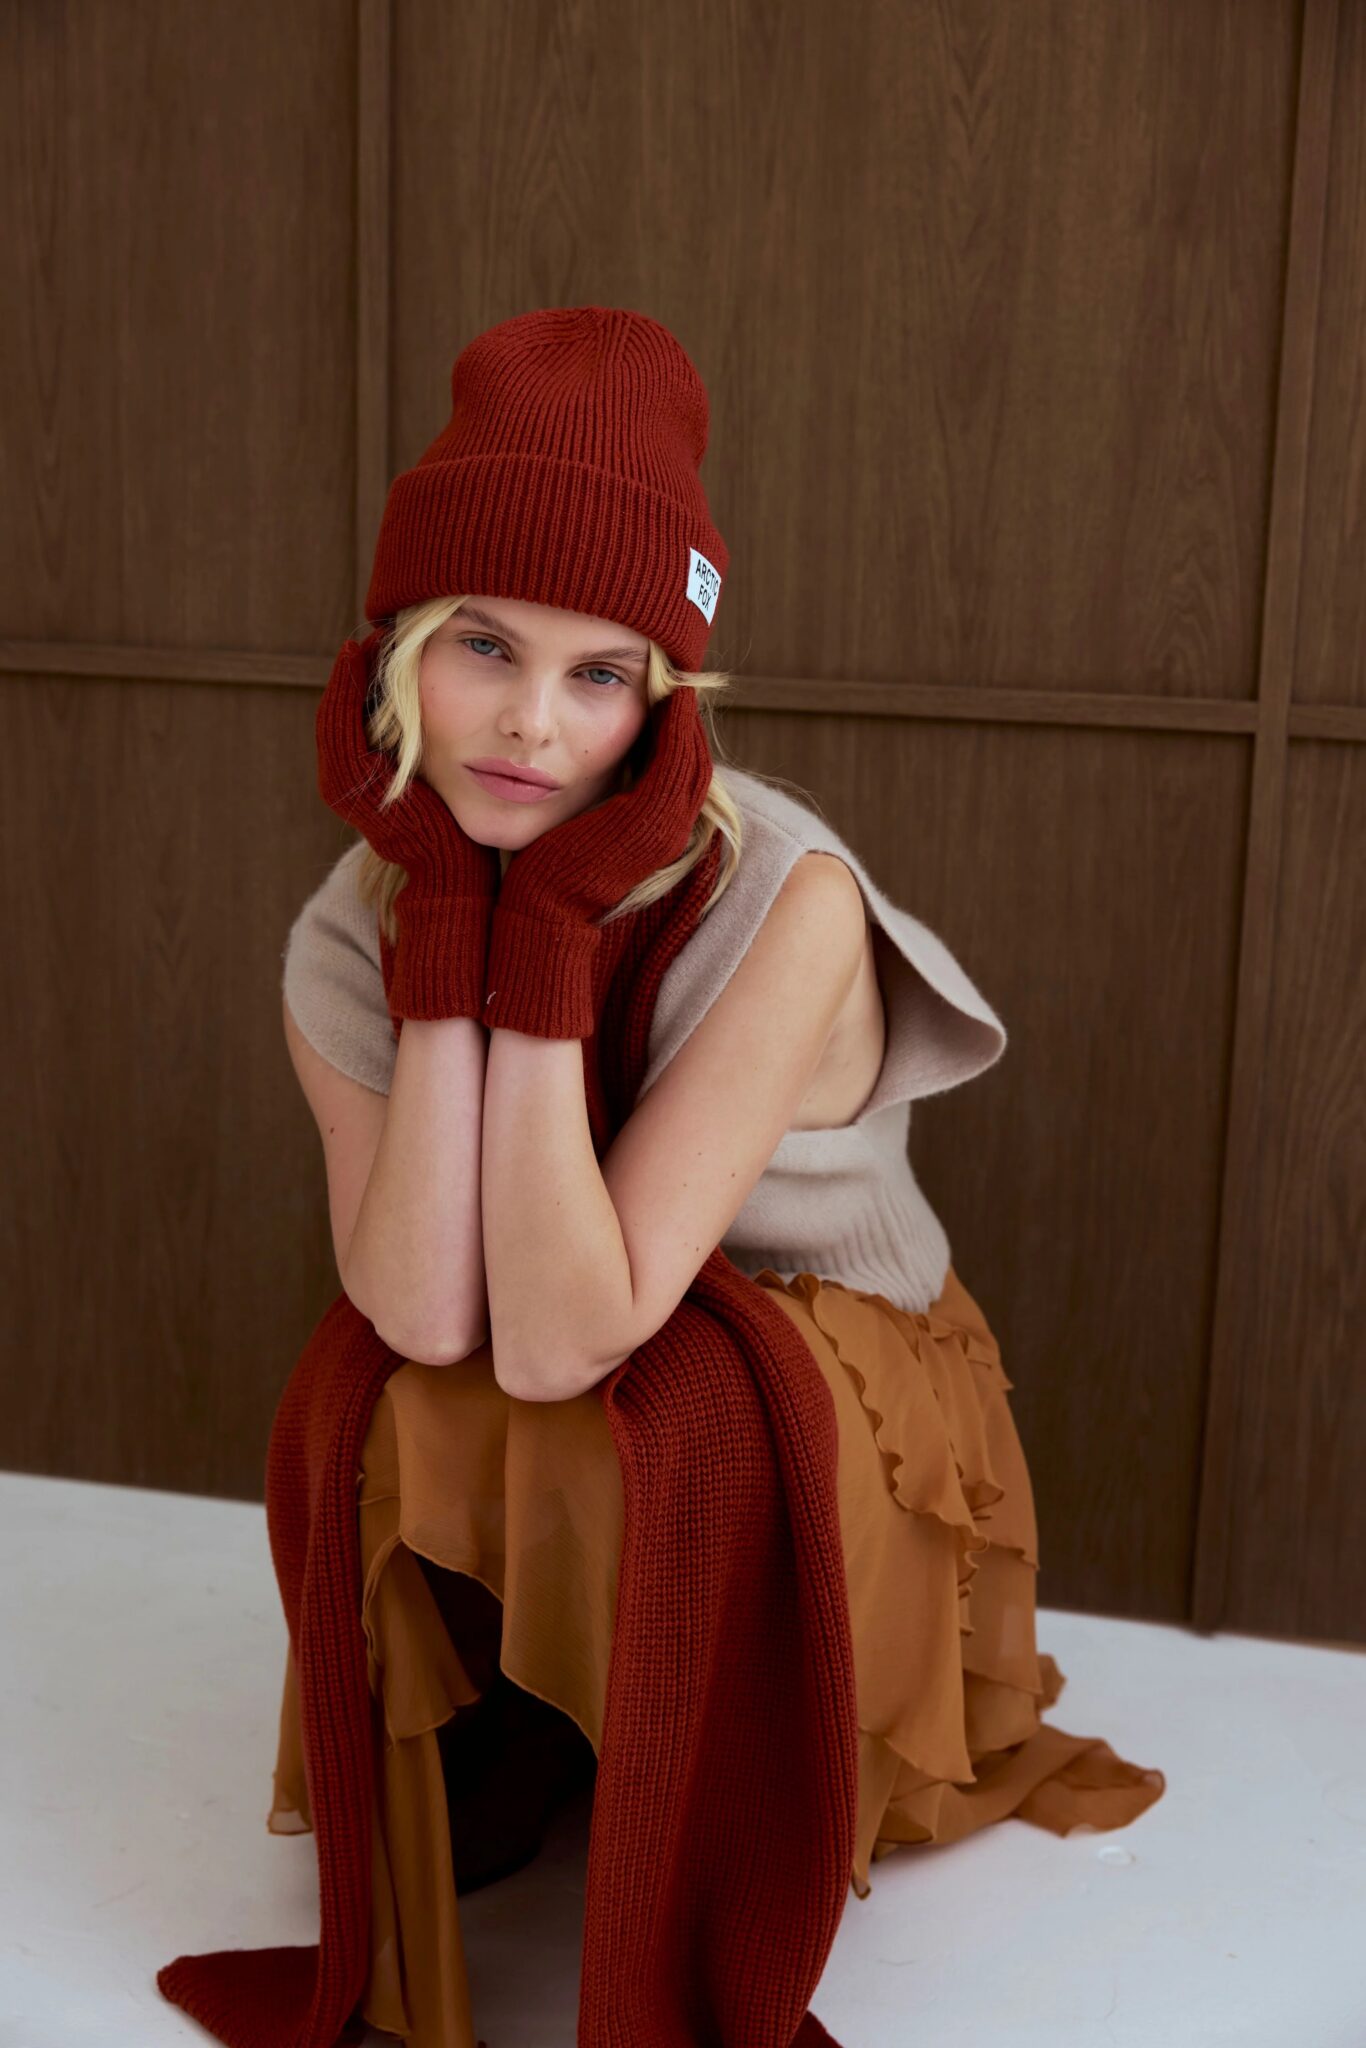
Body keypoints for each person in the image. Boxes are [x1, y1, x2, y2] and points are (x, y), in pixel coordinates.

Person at [271, 306, 1165, 2047]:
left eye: (602, 673)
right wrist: (460, 917)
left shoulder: (789, 901)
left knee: (643, 1405)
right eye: (481, 648)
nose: (531, 726)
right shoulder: (353, 916)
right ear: (387, 659)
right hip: (562, 1298)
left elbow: (570, 1334)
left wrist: (535, 936)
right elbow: (422, 1303)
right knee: (385, 1389)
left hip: (816, 1343)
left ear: (665, 698)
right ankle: (498, 1739)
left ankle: (698, 1767)